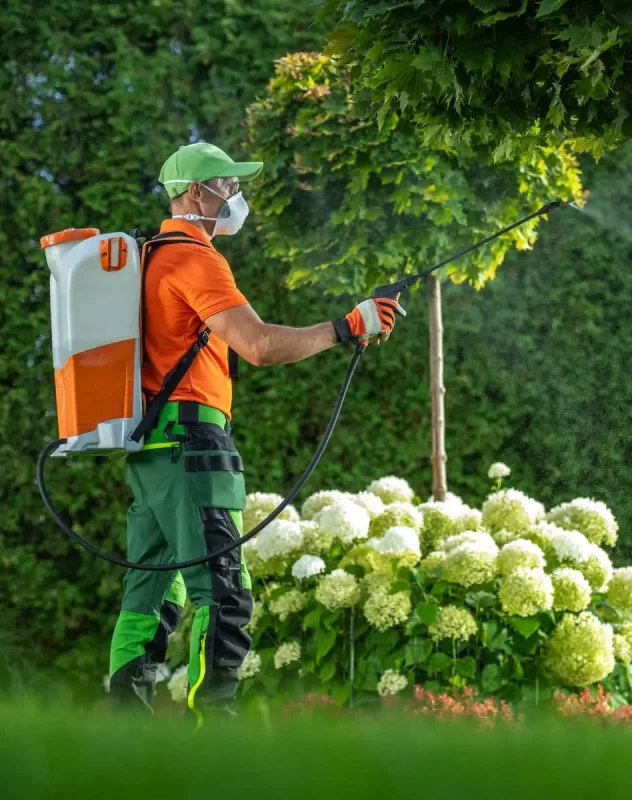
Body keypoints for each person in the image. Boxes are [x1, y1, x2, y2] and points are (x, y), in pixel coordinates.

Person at [106, 142, 403, 719]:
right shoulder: (194, 258)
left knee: (149, 596)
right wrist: (347, 326)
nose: (235, 197)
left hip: (152, 457)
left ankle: (125, 735)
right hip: (193, 450)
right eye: (228, 186)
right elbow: (260, 345)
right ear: (196, 193)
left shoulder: (147, 257)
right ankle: (212, 739)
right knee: (223, 593)